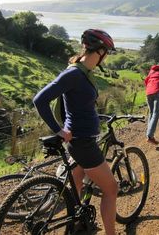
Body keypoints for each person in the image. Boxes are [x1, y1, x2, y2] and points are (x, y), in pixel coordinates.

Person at [33, 29, 118, 235]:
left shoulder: (84, 72)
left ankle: (76, 225)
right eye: (106, 52)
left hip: (81, 139)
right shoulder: (74, 73)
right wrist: (59, 130)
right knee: (111, 189)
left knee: (76, 184)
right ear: (100, 51)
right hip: (82, 142)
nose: (106, 57)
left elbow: (79, 106)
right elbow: (40, 100)